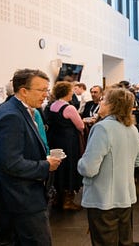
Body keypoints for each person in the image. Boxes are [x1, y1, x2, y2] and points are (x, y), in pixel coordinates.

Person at [0, 69, 62, 245]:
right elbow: (11, 163)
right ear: (23, 91)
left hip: (19, 194)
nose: (45, 95)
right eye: (41, 90)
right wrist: (45, 165)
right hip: (21, 196)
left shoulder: (17, 109)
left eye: (47, 90)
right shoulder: (11, 115)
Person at [78, 88, 139, 246]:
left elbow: (88, 168)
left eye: (103, 99)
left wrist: (80, 162)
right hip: (125, 198)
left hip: (103, 200)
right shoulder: (132, 129)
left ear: (112, 104)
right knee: (125, 242)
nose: (100, 102)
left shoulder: (102, 128)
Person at [46, 81, 85, 211]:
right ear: (67, 92)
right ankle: (68, 200)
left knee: (58, 166)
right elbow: (80, 126)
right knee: (70, 166)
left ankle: (57, 197)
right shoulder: (69, 108)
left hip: (54, 139)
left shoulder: (51, 106)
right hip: (68, 141)